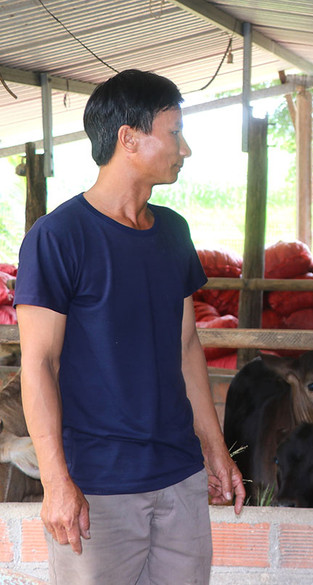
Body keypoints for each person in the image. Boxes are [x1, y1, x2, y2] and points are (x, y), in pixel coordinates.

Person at [14, 69, 245, 585]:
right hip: (97, 486)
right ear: (129, 138)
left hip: (180, 477)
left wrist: (214, 448)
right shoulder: (57, 237)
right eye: (175, 131)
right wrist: (56, 483)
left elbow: (187, 345)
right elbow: (39, 364)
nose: (184, 149)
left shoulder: (173, 232)